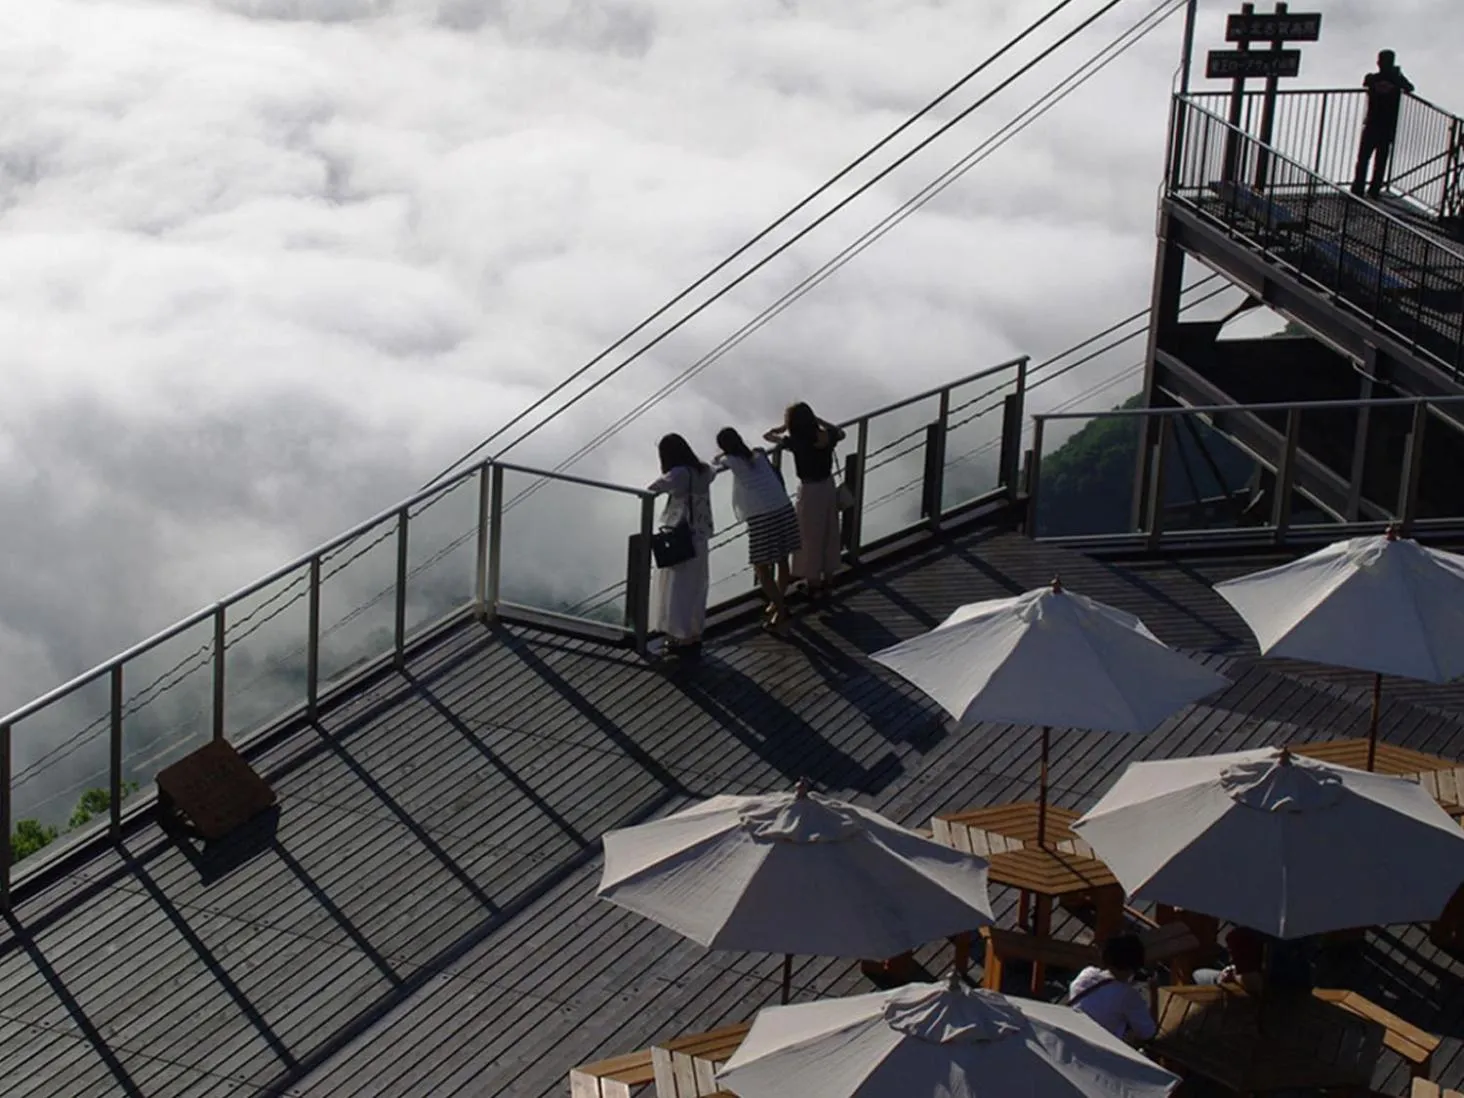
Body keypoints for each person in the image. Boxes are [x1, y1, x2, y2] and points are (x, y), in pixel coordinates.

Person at [713, 427, 801, 633]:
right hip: (782, 506)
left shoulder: (731, 461)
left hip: (762, 516)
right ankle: (778, 604)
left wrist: (720, 455)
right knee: (782, 558)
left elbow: (715, 462)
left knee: (760, 566)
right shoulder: (759, 454)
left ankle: (781, 608)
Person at [764, 402, 846, 601]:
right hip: (827, 486)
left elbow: (768, 437)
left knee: (809, 537)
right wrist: (818, 420)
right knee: (829, 532)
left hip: (810, 491)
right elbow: (840, 432)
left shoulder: (796, 442)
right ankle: (828, 581)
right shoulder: (828, 437)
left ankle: (814, 585)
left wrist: (781, 428)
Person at [647, 433, 718, 661]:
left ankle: (680, 635)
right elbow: (714, 471)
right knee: (696, 585)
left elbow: (653, 488)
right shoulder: (703, 470)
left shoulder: (678, 474)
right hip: (701, 535)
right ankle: (694, 633)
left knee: (677, 588)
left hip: (681, 536)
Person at [1067, 934, 1158, 1044]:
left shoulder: (1086, 974)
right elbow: (1148, 1033)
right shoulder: (1127, 995)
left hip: (1072, 1036)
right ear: (1133, 967)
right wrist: (1154, 992)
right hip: (1101, 1047)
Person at [1352, 50, 1415, 200]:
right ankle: (1374, 189)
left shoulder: (1372, 78)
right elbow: (1410, 87)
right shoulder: (1397, 80)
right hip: (1387, 126)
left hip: (1372, 123)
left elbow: (1366, 82)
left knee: (1363, 158)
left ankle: (1358, 188)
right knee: (1380, 160)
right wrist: (1397, 74)